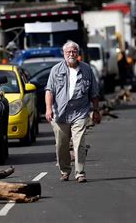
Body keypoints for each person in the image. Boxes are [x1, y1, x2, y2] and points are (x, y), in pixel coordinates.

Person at [45, 41, 101, 183]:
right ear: (64, 54)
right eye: (68, 52)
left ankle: (80, 173)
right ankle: (65, 170)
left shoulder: (87, 70)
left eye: (74, 51)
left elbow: (94, 93)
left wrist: (96, 110)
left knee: (80, 143)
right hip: (60, 113)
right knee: (61, 145)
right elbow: (49, 91)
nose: (71, 54)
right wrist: (48, 109)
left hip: (80, 113)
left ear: (78, 53)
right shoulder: (56, 70)